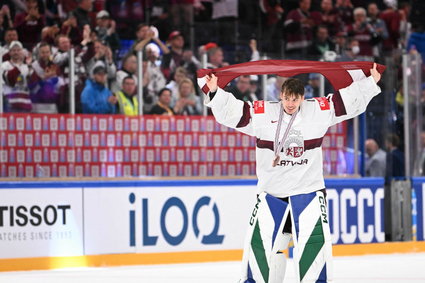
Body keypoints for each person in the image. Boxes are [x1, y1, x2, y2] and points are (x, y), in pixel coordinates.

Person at [203, 63, 382, 283]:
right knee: (262, 248)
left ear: (302, 98)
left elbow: (346, 100)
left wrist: (370, 82)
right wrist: (214, 91)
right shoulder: (262, 112)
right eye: (287, 98)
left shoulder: (318, 110)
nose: (290, 104)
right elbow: (233, 112)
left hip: (308, 192)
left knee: (313, 250)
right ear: (281, 96)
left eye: (295, 99)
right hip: (272, 193)